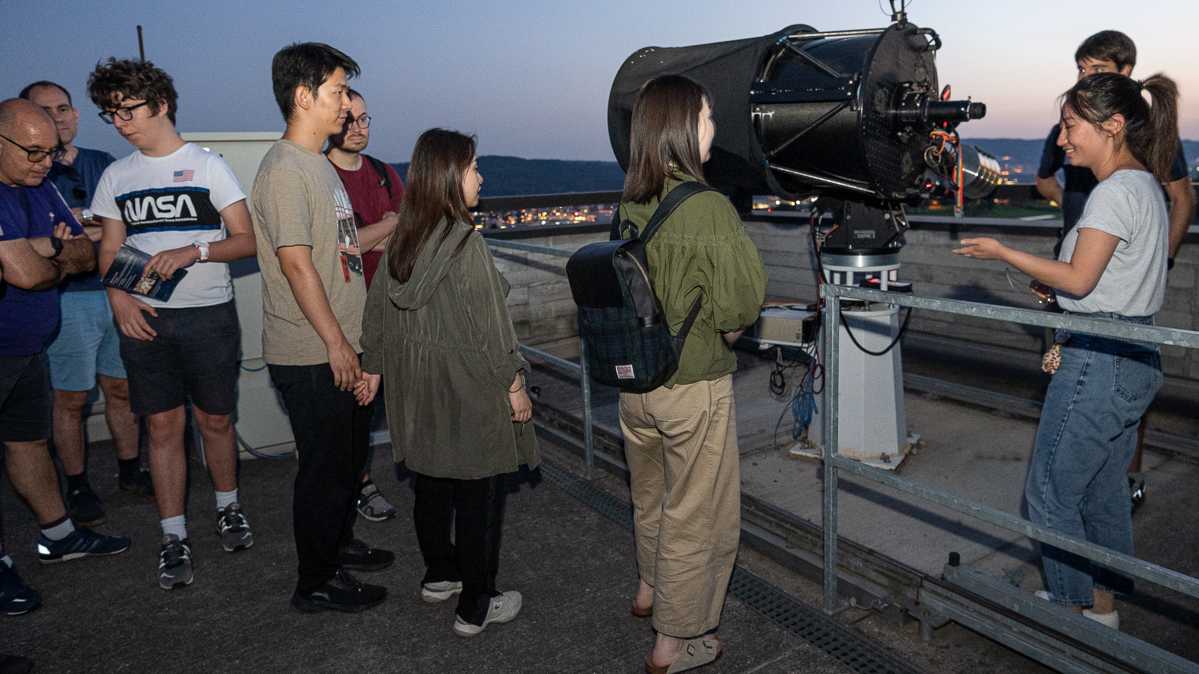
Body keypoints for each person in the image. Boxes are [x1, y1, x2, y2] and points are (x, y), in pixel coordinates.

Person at [956, 71, 1179, 630]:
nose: (1062, 140)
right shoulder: (1146, 184)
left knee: (1050, 493)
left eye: (1071, 126)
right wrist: (1056, 281)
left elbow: (1080, 281)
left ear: (1113, 126)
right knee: (1103, 492)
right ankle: (1103, 606)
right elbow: (1104, 277)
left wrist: (1004, 251)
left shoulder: (1113, 191)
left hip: (1098, 358)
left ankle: (1074, 608)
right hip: (1135, 355)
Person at [613, 76, 765, 672]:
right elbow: (737, 310)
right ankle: (675, 641)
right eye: (706, 116)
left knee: (649, 498)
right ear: (680, 127)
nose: (713, 127)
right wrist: (726, 333)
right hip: (691, 387)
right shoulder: (707, 208)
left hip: (635, 387)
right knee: (696, 516)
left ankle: (650, 588)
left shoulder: (632, 202)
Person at [359, 128, 537, 637]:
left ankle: (441, 574)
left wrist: (374, 365)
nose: (481, 176)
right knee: (479, 497)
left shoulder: (403, 237)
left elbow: (378, 310)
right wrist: (514, 385)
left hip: (418, 386)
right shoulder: (465, 244)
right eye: (474, 167)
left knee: (432, 484)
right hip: (468, 386)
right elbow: (491, 327)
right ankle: (477, 604)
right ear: (451, 177)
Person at [87, 58, 257, 590]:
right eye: (110, 114)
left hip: (208, 316)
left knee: (215, 421)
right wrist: (118, 298)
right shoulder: (116, 175)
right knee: (162, 427)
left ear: (160, 105)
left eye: (128, 110)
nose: (119, 122)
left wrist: (194, 250)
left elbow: (248, 240)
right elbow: (109, 252)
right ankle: (173, 533)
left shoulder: (207, 165)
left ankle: (228, 507)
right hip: (146, 319)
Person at [252, 42, 393, 614]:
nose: (344, 105)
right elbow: (295, 261)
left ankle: (338, 546)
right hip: (312, 351)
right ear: (304, 96)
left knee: (346, 462)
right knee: (325, 471)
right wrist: (337, 343)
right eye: (336, 92)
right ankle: (315, 582)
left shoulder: (317, 165)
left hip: (341, 343)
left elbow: (340, 251)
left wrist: (358, 343)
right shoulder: (286, 169)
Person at [1034, 30, 1193, 507]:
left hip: (1111, 304)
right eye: (1081, 69)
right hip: (1073, 284)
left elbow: (1182, 199)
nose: (1085, 76)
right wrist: (1081, 234)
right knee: (1073, 403)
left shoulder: (1147, 141)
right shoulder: (1070, 128)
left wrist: (1156, 259)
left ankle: (1125, 479)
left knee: (1111, 394)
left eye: (1096, 69)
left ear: (1125, 74)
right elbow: (1044, 180)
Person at [0, 98, 131, 617]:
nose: (43, 162)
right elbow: (29, 275)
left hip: (29, 347)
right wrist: (49, 253)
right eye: (32, 152)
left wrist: (45, 250)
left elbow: (81, 253)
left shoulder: (43, 185)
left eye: (50, 152)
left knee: (27, 442)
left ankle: (58, 536)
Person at [20, 80, 152, 529]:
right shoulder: (29, 175)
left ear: (75, 115)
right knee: (72, 398)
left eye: (64, 108)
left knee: (121, 388)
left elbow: (130, 229)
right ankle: (76, 482)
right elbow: (42, 245)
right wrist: (91, 231)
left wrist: (90, 233)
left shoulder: (103, 164)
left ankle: (131, 468)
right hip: (67, 301)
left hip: (119, 291)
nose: (58, 118)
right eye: (45, 111)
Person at [325, 88, 402, 522]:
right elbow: (338, 246)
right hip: (343, 313)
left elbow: (402, 231)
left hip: (389, 305)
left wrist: (375, 234)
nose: (359, 128)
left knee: (392, 401)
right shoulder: (319, 175)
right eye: (349, 119)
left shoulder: (384, 173)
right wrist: (383, 228)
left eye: (366, 119)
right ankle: (358, 485)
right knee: (353, 411)